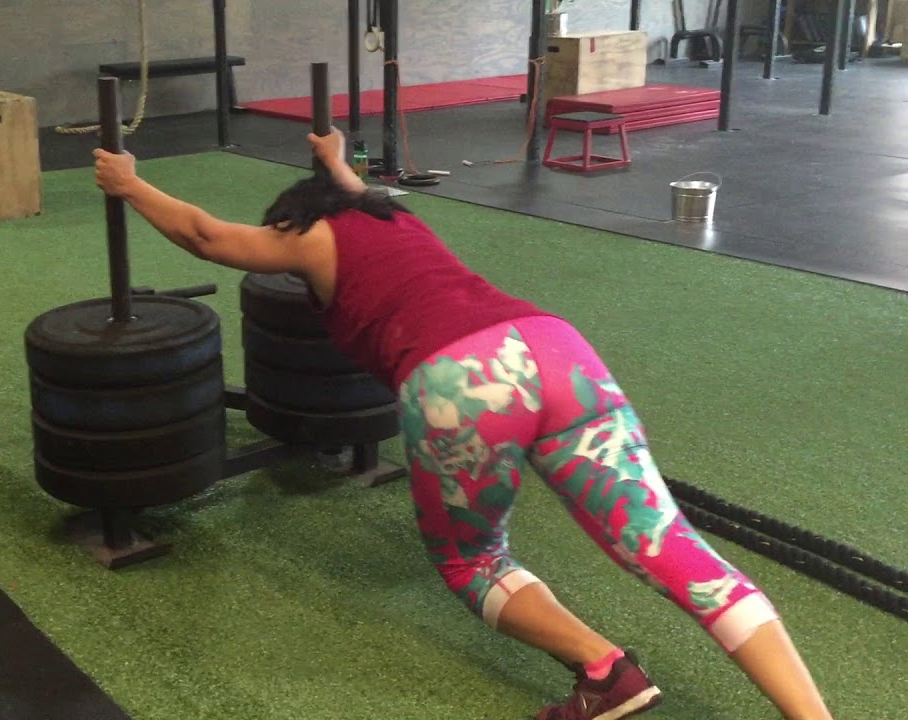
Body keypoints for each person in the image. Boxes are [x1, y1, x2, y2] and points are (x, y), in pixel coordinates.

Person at [91, 129, 834, 720]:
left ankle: (604, 669)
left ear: (292, 216)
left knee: (471, 562)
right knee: (669, 544)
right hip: (555, 348)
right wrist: (335, 161)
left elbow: (206, 237)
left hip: (464, 382)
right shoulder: (393, 214)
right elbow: (352, 191)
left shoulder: (307, 233)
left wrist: (129, 184)